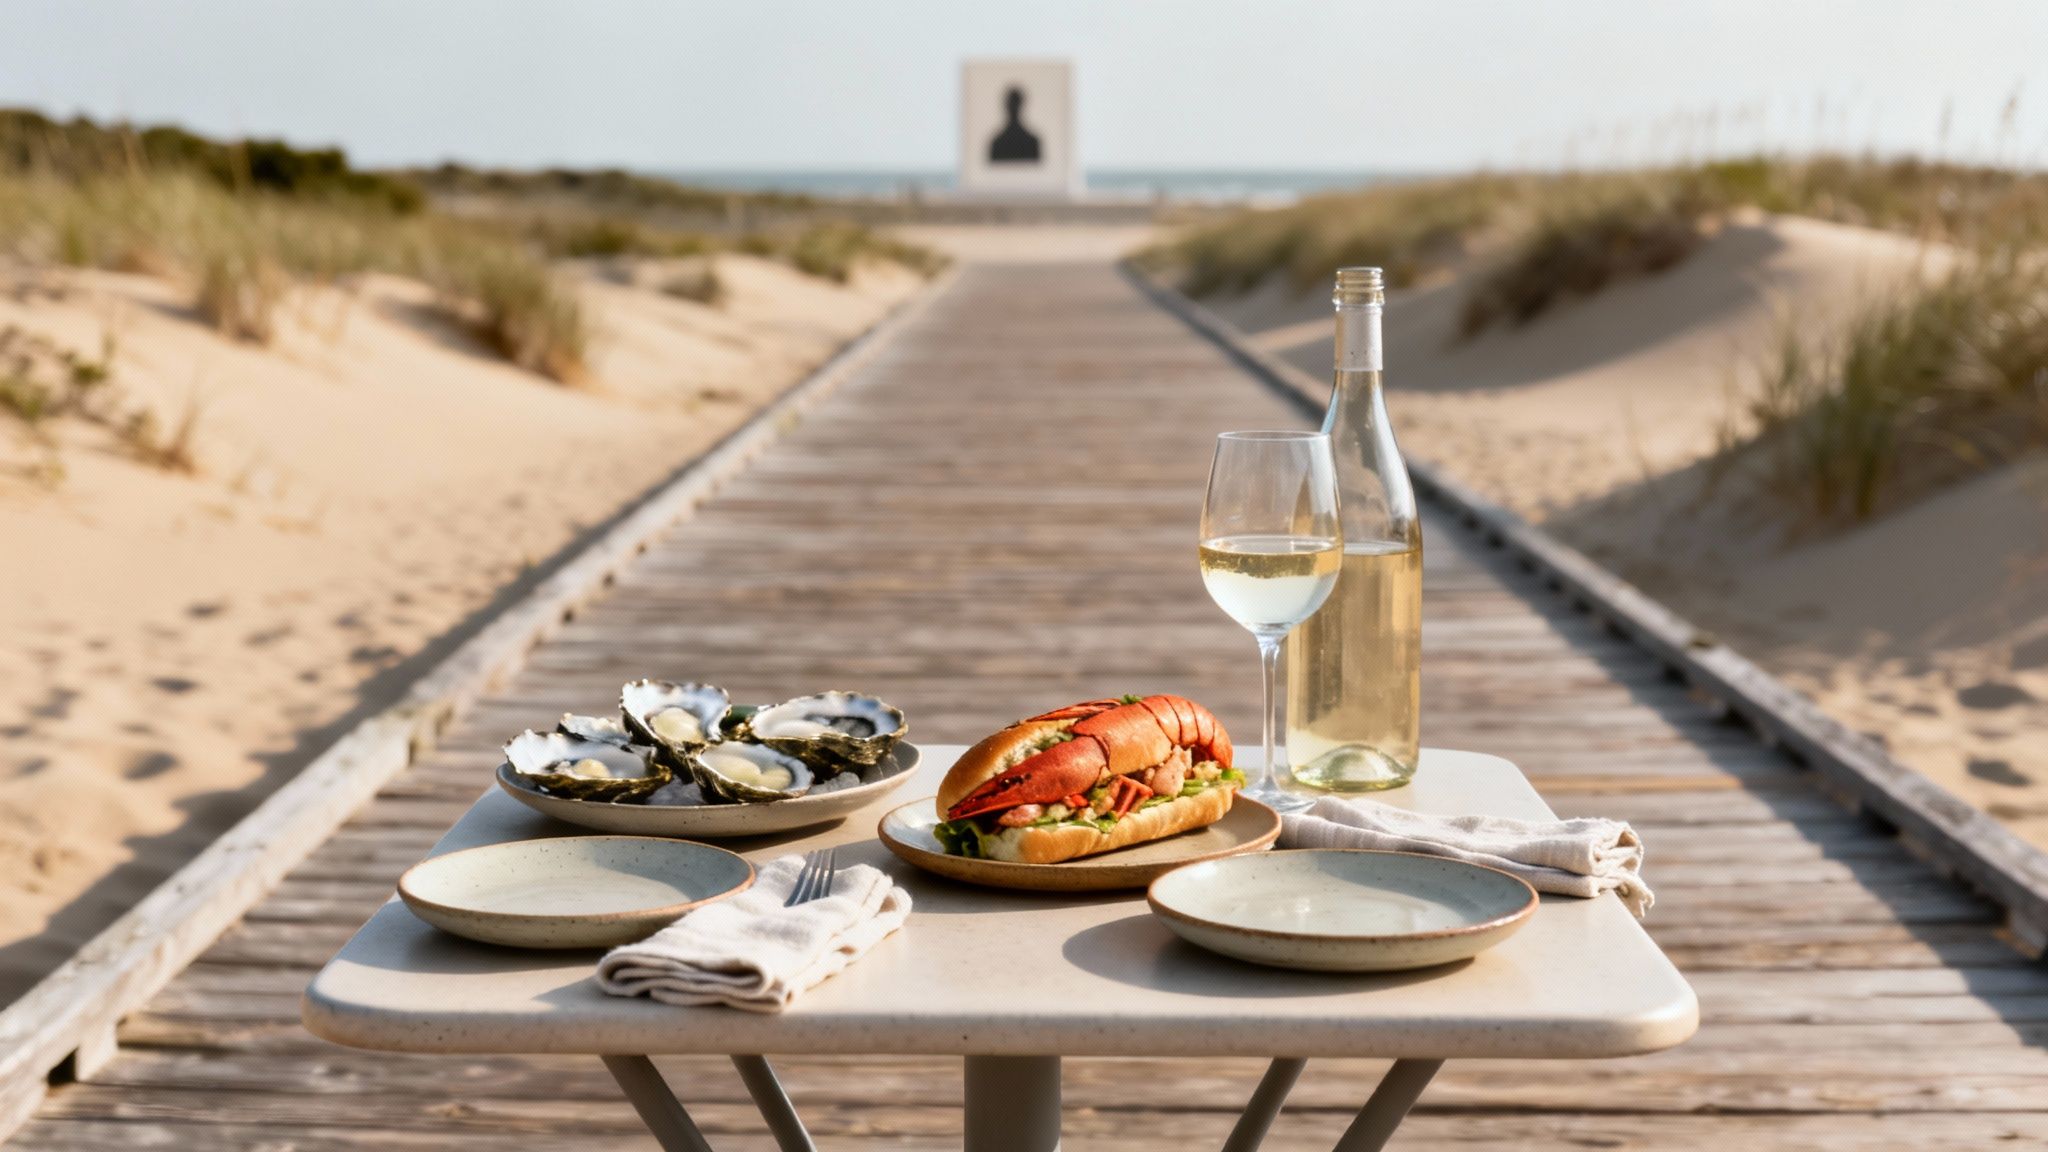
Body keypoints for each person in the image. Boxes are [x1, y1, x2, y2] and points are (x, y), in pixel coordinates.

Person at [988, 86, 1042, 164]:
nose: (1013, 108)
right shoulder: (1032, 142)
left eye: (1014, 104)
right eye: (1012, 104)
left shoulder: (997, 143)